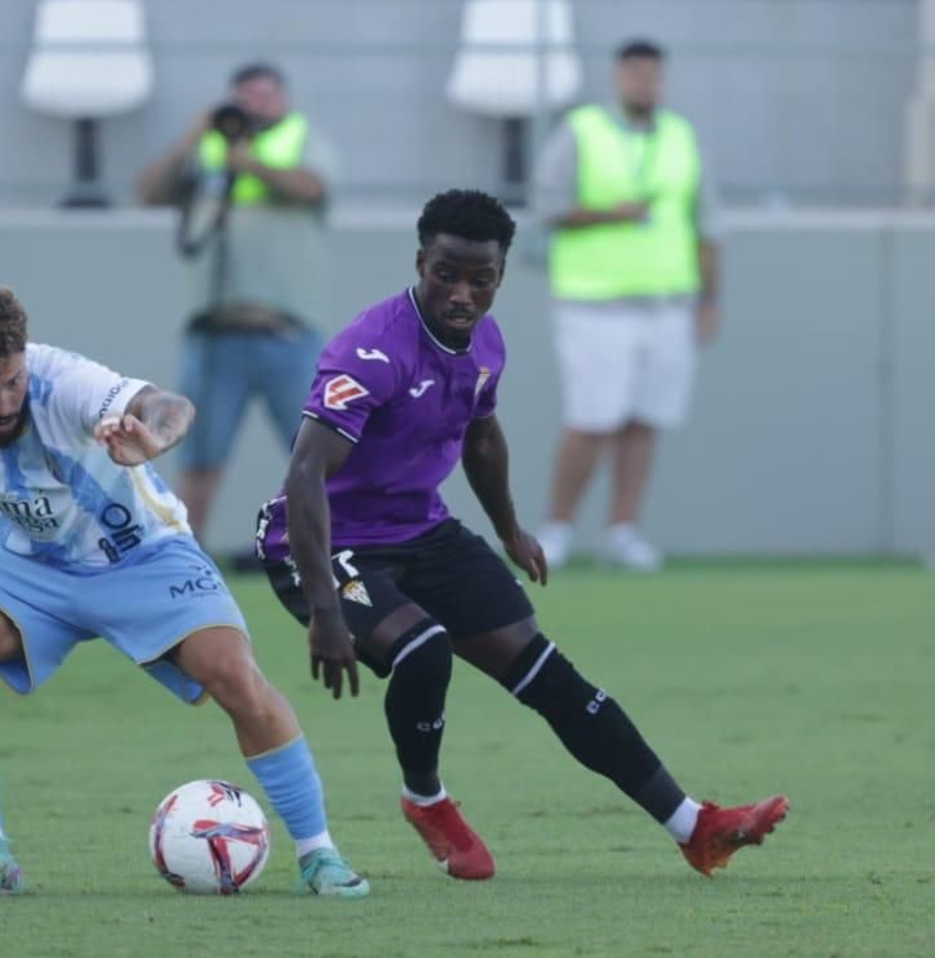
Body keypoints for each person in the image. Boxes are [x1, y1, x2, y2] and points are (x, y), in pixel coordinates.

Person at [256, 189, 785, 882]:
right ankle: (427, 800)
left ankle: (695, 825)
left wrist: (508, 527)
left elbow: (481, 435)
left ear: (501, 277)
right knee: (424, 648)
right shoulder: (371, 350)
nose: (462, 293)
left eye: (482, 279)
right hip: (322, 542)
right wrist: (325, 608)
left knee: (549, 674)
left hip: (421, 530)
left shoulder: (486, 344)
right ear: (421, 262)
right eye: (446, 272)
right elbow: (303, 476)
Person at [0, 284, 369, 899]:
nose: (5, 401)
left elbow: (168, 405)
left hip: (146, 557)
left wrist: (155, 437)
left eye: (12, 381)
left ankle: (318, 853)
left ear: (24, 359)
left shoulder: (66, 383)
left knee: (235, 675)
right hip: (33, 567)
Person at [533, 39, 724, 572]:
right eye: (636, 73)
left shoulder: (682, 137)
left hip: (668, 302)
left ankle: (622, 530)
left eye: (655, 75)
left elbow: (707, 225)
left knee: (645, 419)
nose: (646, 84)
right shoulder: (581, 131)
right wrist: (607, 214)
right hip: (595, 302)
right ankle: (557, 528)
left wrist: (710, 299)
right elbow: (547, 205)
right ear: (618, 76)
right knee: (591, 420)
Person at [138, 62, 338, 544]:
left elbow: (313, 186)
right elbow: (148, 190)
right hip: (215, 335)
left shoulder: (301, 139)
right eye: (245, 95)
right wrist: (194, 137)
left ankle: (342, 553)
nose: (255, 104)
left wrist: (246, 162)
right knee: (199, 455)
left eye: (266, 95)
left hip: (285, 332)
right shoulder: (208, 148)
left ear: (284, 100)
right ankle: (184, 558)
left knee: (318, 454)